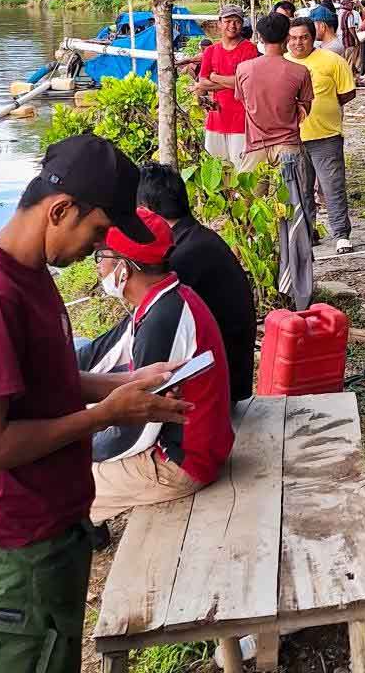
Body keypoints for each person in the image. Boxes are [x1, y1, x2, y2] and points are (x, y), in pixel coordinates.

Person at [0, 135, 189, 672]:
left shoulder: (30, 272)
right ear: (60, 210)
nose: (97, 249)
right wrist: (104, 415)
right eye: (96, 233)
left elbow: (48, 381)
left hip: (51, 534)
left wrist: (123, 381)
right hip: (13, 556)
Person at [79, 208, 234, 524]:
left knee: (62, 486)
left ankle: (86, 532)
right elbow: (100, 353)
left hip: (180, 463)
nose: (99, 268)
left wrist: (80, 441)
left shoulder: (163, 321)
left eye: (101, 258)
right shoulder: (163, 299)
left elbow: (135, 435)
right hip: (193, 446)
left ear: (124, 269)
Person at [137, 163, 257, 404]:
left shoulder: (185, 255)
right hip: (227, 378)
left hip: (218, 389)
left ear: (147, 211)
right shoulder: (195, 239)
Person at [233, 12, 316, 308]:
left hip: (254, 151)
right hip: (288, 150)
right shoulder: (299, 73)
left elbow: (242, 101)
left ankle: (248, 282)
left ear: (259, 37)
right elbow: (305, 109)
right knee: (294, 219)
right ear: (285, 39)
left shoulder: (243, 69)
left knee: (247, 218)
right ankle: (297, 288)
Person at [286, 16, 357, 255]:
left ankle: (341, 234)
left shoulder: (332, 60)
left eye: (304, 37)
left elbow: (347, 93)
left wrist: (324, 106)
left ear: (313, 37)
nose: (298, 43)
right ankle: (307, 233)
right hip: (292, 138)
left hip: (326, 135)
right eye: (293, 38)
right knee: (300, 189)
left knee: (332, 186)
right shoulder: (281, 63)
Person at [194, 4, 257, 167]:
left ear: (242, 24)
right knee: (217, 171)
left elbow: (246, 83)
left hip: (241, 121)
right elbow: (202, 82)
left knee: (242, 170)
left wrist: (215, 77)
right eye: (228, 21)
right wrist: (232, 81)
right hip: (216, 119)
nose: (232, 25)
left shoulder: (249, 49)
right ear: (219, 23)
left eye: (236, 21)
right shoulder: (211, 51)